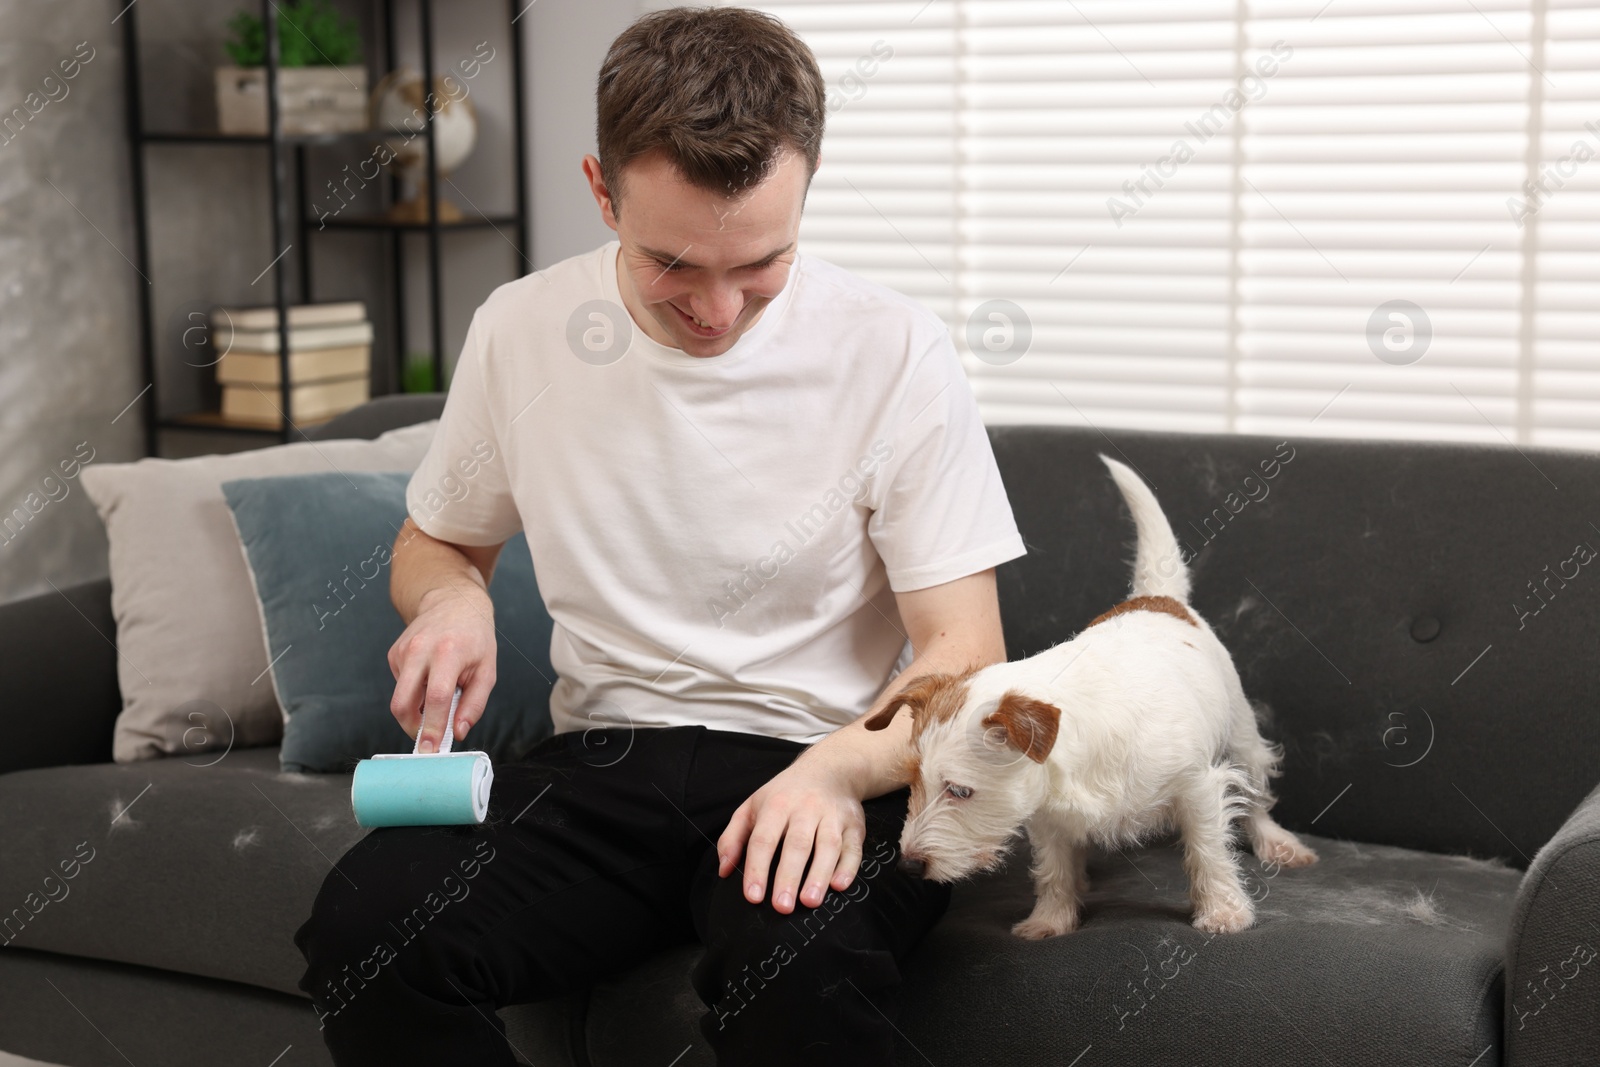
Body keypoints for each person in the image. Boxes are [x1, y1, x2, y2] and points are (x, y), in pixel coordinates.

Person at [294, 7, 1025, 1064]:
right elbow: (436, 541)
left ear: (806, 189)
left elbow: (965, 654)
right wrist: (452, 596)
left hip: (816, 761)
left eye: (761, 263)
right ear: (600, 190)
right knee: (371, 931)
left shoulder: (895, 349)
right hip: (599, 762)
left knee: (791, 976)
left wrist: (832, 775)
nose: (720, 310)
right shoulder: (521, 327)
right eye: (675, 264)